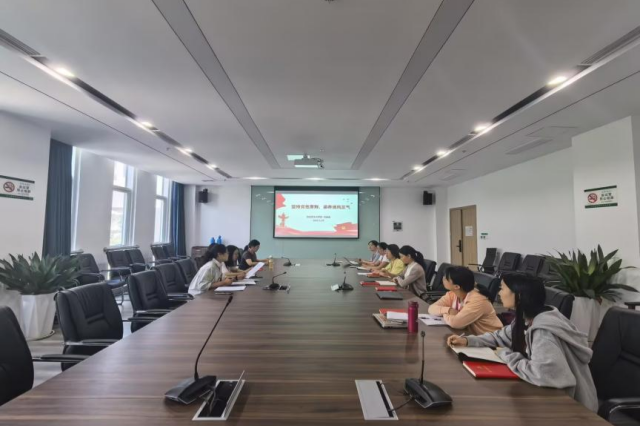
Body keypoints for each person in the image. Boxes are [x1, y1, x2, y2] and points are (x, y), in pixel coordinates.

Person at [447, 273, 598, 412]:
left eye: (502, 288)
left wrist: (506, 355)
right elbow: (499, 337)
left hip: (571, 407)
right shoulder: (526, 318)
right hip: (546, 395)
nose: (499, 293)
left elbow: (544, 374)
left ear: (518, 295)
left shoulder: (543, 332)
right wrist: (468, 340)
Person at [427, 266, 502, 334]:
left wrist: (443, 313)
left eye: (446, 278)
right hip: (471, 336)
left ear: (456, 286)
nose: (443, 279)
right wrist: (449, 310)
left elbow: (456, 323)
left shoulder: (478, 300)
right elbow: (431, 308)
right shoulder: (452, 294)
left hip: (492, 341)